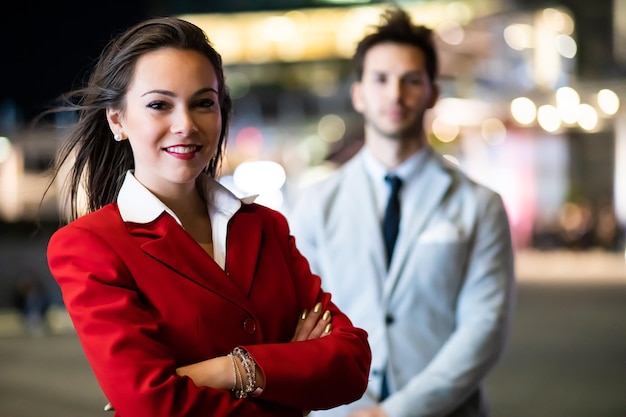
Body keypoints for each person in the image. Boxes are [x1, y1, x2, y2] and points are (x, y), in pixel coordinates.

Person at [44, 17, 371, 417]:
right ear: (117, 119)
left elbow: (351, 363)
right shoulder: (90, 246)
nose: (185, 125)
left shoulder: (265, 226)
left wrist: (229, 370)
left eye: (203, 103)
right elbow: (153, 404)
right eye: (159, 105)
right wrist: (290, 372)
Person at [288, 7, 515, 417]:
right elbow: (303, 320)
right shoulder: (316, 203)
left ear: (433, 92)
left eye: (411, 80)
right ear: (358, 93)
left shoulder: (480, 205)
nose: (395, 94)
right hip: (340, 409)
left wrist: (398, 412)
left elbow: (484, 329)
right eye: (380, 79)